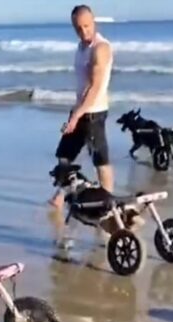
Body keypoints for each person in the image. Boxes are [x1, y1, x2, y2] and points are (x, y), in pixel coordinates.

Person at [50, 4, 114, 208]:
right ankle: (61, 196)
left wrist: (77, 115)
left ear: (93, 22)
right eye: (78, 28)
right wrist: (75, 114)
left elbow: (95, 88)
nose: (83, 32)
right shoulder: (81, 47)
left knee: (100, 161)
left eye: (86, 26)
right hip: (79, 110)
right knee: (64, 156)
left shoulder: (100, 48)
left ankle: (108, 203)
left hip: (94, 113)